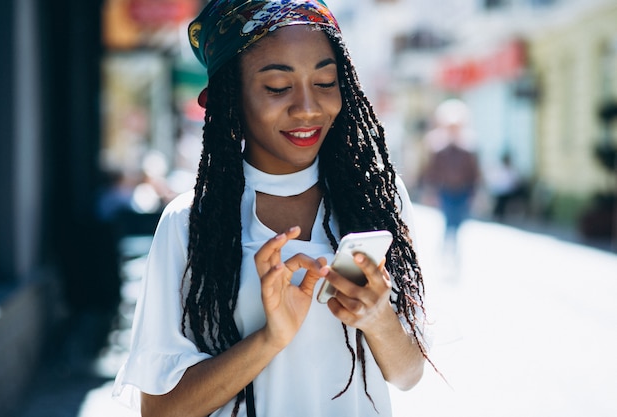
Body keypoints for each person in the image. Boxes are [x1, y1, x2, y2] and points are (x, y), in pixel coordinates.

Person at [113, 1, 432, 416]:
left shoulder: (377, 202)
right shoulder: (191, 221)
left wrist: (377, 317)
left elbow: (408, 376)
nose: (308, 108)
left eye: (325, 81)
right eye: (278, 87)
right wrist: (270, 338)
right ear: (231, 97)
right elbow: (160, 411)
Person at [422, 99, 480, 250]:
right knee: (448, 220)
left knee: (459, 221)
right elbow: (432, 172)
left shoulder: (468, 148)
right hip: (446, 189)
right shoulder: (438, 148)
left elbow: (474, 173)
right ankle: (447, 248)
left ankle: (454, 247)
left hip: (463, 190)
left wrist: (475, 193)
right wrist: (430, 191)